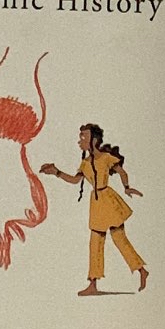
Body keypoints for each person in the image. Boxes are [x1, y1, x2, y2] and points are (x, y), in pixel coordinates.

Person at [41, 124, 148, 295]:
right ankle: (93, 283)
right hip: (97, 204)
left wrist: (127, 187)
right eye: (80, 137)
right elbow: (75, 180)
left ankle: (141, 270)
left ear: (94, 140)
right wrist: (56, 172)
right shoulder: (85, 163)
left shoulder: (106, 158)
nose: (80, 140)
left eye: (83, 136)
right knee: (95, 243)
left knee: (120, 240)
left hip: (109, 201)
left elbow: (121, 172)